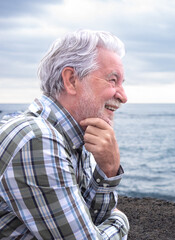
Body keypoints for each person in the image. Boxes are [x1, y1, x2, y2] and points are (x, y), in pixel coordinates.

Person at [0, 30, 129, 239]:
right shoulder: (38, 140)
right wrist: (120, 221)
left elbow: (87, 219)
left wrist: (109, 169)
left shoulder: (75, 136)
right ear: (71, 80)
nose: (123, 96)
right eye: (113, 80)